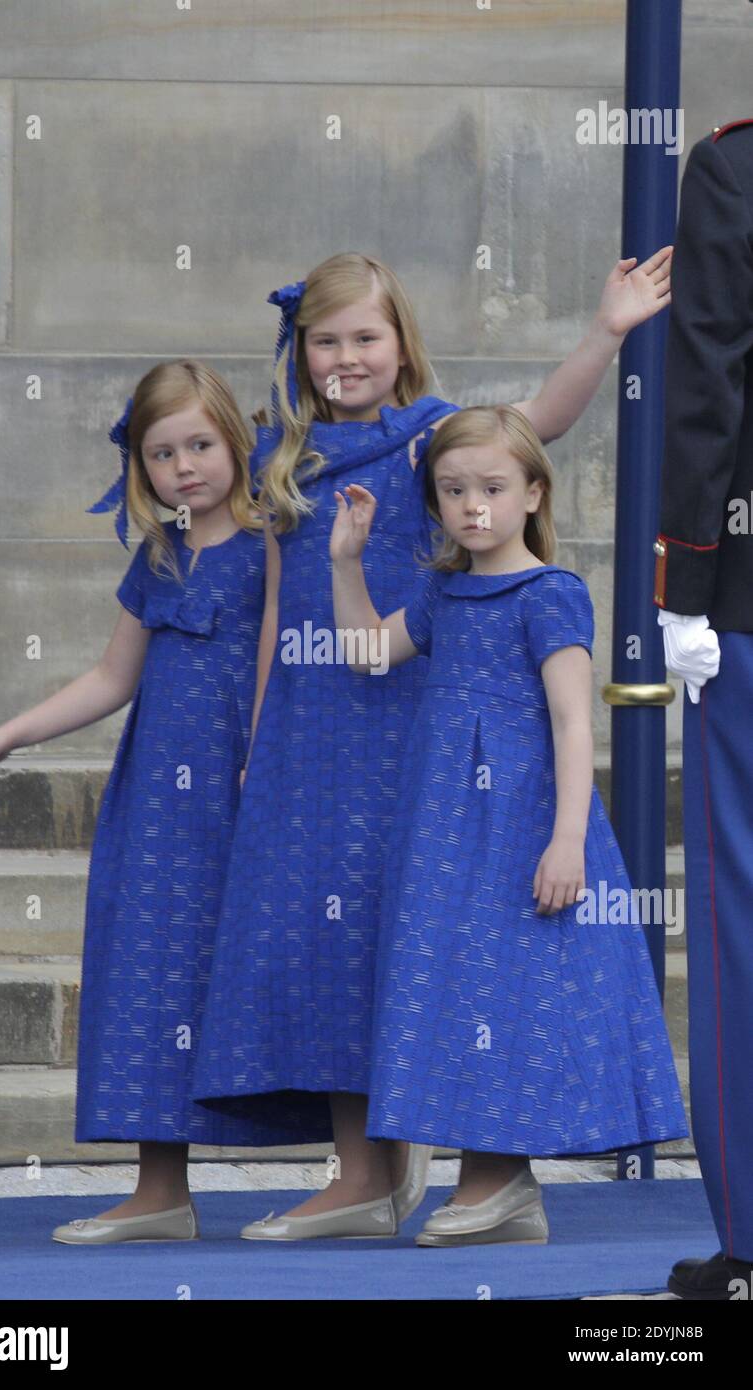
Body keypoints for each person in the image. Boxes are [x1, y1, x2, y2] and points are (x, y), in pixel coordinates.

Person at [192, 248, 674, 1241]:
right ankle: (363, 1177)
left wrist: (604, 332)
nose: (344, 355)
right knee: (332, 941)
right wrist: (255, 727)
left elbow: (529, 428)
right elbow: (287, 605)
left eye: (365, 336)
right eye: (324, 339)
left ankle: (479, 1173)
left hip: (427, 744)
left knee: (437, 944)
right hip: (312, 727)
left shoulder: (433, 444)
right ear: (299, 349)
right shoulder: (284, 452)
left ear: (401, 342)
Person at [330, 404, 688, 1248]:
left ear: (533, 492)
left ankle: (497, 1181)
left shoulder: (552, 594)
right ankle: (496, 1187)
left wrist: (567, 839)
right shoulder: (443, 591)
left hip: (524, 826)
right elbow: (369, 654)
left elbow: (572, 721)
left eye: (492, 487)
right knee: (454, 985)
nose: (472, 506)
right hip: (445, 830)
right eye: (453, 490)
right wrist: (346, 564)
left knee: (511, 991)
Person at [0, 360, 280, 1245]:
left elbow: (279, 663)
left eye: (201, 444)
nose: (186, 466)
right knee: (146, 972)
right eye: (163, 453)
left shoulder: (274, 545)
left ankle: (362, 1170)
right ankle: (159, 1190)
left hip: (240, 794)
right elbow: (110, 676)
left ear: (236, 444)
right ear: (142, 469)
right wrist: (10, 734)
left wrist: (264, 766)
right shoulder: (160, 555)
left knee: (238, 974)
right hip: (157, 805)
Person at [653, 118, 753, 1300]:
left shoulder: (733, 165)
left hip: (742, 591)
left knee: (737, 908)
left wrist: (679, 578)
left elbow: (707, 381)